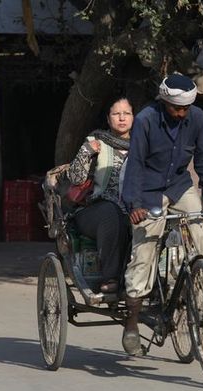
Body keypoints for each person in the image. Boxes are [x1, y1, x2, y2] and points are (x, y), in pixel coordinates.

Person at [121, 73, 203, 356]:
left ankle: (199, 300)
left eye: (186, 108)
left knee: (201, 234)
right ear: (164, 102)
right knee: (144, 251)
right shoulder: (146, 120)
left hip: (179, 186)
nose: (181, 113)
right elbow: (136, 164)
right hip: (149, 191)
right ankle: (131, 324)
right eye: (177, 108)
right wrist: (134, 204)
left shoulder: (197, 118)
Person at [67, 96, 133, 294]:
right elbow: (76, 179)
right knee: (110, 213)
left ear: (133, 117)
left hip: (133, 207)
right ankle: (110, 276)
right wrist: (87, 152)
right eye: (116, 114)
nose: (122, 118)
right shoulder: (96, 142)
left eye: (127, 113)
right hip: (94, 210)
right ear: (108, 118)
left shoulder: (143, 144)